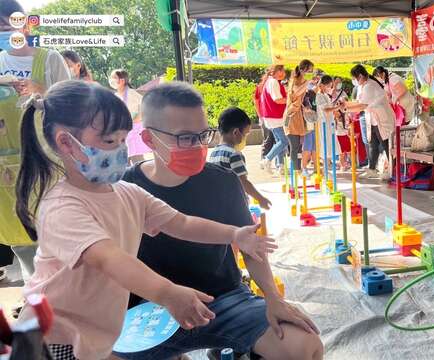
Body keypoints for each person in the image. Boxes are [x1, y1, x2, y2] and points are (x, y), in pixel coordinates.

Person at [15, 81, 276, 360]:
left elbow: (182, 223)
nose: (119, 150)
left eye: (121, 140)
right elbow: (109, 258)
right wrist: (167, 293)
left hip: (96, 331)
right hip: (53, 337)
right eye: (108, 141)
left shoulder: (128, 193)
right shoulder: (62, 207)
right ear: (66, 142)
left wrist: (234, 235)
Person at [119, 82, 323, 360]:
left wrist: (273, 298)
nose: (198, 146)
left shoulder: (222, 180)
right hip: (152, 309)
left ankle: (226, 346)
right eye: (185, 138)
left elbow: (251, 243)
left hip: (224, 299)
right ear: (149, 140)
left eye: (203, 135)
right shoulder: (125, 189)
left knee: (304, 347)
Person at [0, 0, 70, 286]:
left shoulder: (50, 58)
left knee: (56, 233)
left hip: (48, 161)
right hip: (6, 169)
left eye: (7, 24)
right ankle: (38, 299)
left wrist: (41, 94)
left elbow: (70, 106)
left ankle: (66, 297)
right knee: (21, 240)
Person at [211, 107, 272, 210]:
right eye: (246, 134)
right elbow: (243, 182)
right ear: (236, 132)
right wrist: (260, 198)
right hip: (234, 204)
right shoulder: (234, 155)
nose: (245, 138)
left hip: (220, 203)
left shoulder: (214, 153)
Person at [341, 64, 395, 179]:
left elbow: (361, 106)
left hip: (382, 118)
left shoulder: (370, 85)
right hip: (373, 118)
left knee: (386, 145)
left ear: (360, 76)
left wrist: (346, 108)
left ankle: (393, 171)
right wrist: (345, 104)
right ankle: (372, 169)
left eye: (355, 78)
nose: (354, 81)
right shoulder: (364, 85)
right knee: (372, 144)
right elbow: (357, 101)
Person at [110, 68, 149, 164]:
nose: (111, 80)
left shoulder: (132, 94)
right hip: (122, 131)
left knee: (137, 158)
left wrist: (138, 118)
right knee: (125, 159)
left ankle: (141, 177)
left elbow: (145, 106)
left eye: (114, 77)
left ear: (122, 80)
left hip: (134, 129)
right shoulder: (116, 96)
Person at [260, 65, 288, 174]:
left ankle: (280, 166)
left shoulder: (270, 81)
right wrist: (290, 99)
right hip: (274, 116)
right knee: (283, 141)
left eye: (283, 70)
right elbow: (278, 99)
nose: (282, 73)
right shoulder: (273, 82)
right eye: (279, 70)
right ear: (273, 72)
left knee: (279, 142)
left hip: (272, 116)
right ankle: (267, 159)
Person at [315, 75, 341, 177]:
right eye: (328, 86)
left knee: (330, 144)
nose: (329, 88)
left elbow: (329, 108)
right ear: (322, 85)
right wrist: (337, 107)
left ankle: (328, 165)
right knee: (325, 144)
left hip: (329, 122)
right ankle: (325, 168)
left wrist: (335, 108)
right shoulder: (319, 96)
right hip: (323, 124)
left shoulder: (325, 95)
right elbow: (326, 110)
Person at [255, 68, 275, 163]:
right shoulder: (261, 87)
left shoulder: (262, 86)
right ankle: (264, 159)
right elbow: (256, 101)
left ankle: (270, 160)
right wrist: (260, 116)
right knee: (269, 138)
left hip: (269, 116)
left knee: (272, 138)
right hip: (266, 116)